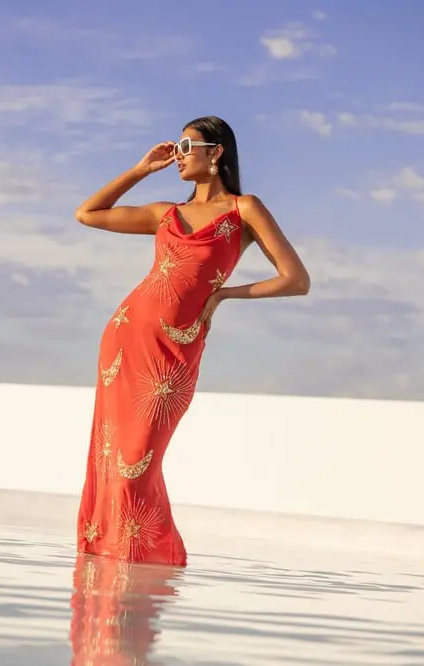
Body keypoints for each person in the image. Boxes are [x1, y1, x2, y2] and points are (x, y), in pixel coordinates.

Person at [73, 115, 310, 567]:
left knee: (137, 463)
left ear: (216, 152)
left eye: (187, 146)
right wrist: (140, 171)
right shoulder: (166, 214)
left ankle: (151, 566)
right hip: (127, 335)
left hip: (175, 348)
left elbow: (296, 280)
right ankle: (114, 572)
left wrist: (223, 294)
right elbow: (88, 214)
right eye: (178, 147)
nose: (179, 155)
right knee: (114, 460)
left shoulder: (245, 210)